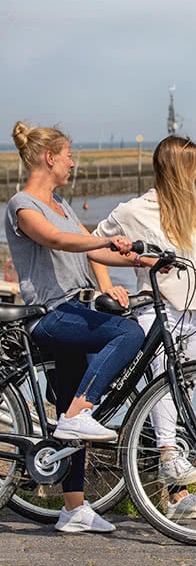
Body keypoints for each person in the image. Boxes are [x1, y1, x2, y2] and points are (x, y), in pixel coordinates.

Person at [92, 134, 196, 520]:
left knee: (181, 397)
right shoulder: (137, 210)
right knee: (164, 391)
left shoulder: (194, 207)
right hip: (158, 310)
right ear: (181, 170)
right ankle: (168, 460)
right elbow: (93, 243)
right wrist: (107, 285)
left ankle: (176, 496)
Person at [5, 121, 145, 533]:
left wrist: (147, 262)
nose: (72, 163)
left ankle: (73, 510)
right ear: (50, 157)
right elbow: (60, 241)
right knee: (129, 333)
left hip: (75, 312)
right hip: (50, 316)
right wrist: (105, 243)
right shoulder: (22, 204)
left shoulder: (63, 205)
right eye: (68, 156)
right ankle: (80, 412)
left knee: (71, 406)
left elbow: (93, 252)